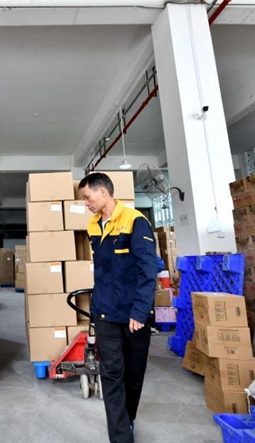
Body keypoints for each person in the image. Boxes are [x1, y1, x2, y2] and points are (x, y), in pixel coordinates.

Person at [79, 172, 158, 443]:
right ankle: (121, 437)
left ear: (103, 192)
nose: (86, 203)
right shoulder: (92, 225)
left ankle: (129, 419)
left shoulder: (135, 221)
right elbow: (103, 272)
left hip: (134, 315)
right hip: (104, 313)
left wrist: (140, 310)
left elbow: (148, 269)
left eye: (88, 197)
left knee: (133, 375)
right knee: (111, 375)